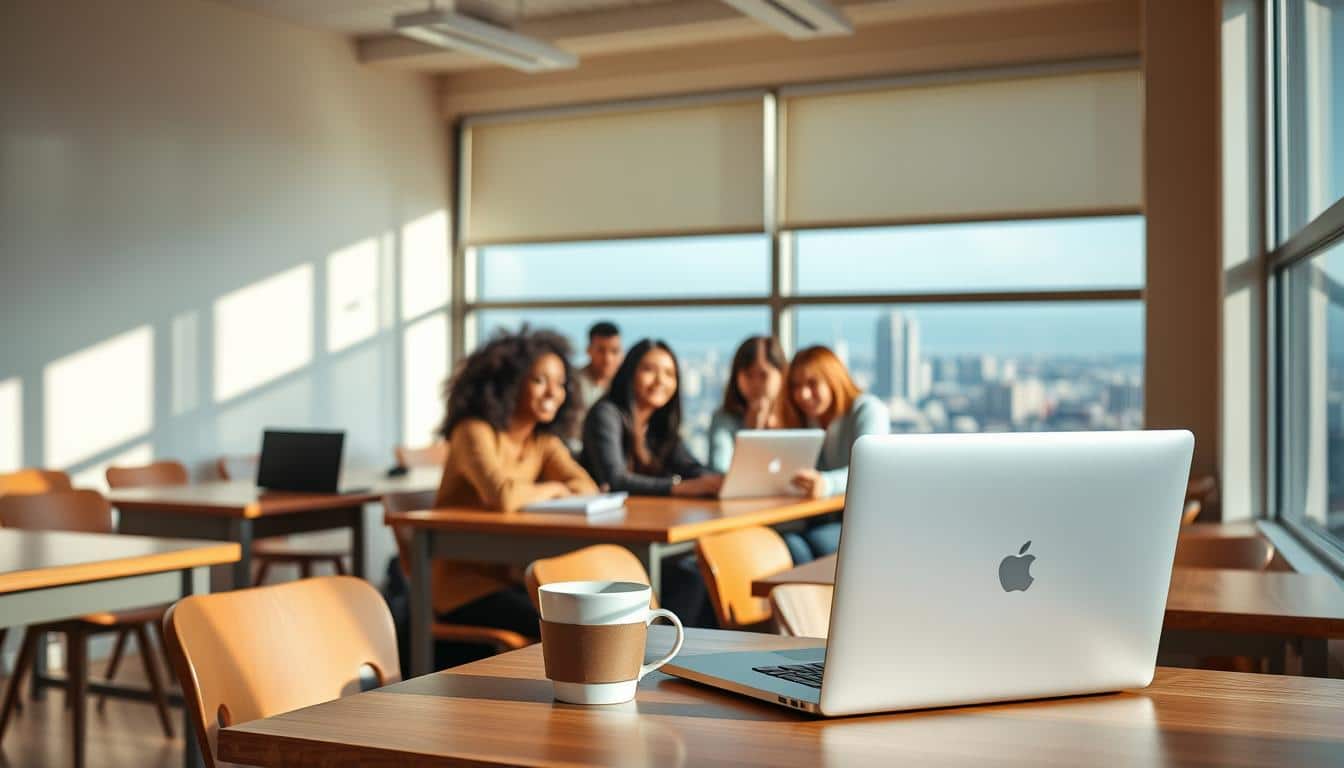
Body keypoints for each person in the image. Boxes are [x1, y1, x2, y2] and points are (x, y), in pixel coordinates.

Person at [429, 327, 599, 647]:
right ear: (509, 383)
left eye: (560, 383)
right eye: (539, 380)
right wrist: (552, 488)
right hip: (462, 591)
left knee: (585, 615)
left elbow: (586, 487)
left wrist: (549, 488)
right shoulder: (473, 431)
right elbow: (503, 497)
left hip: (512, 582)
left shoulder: (542, 440)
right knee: (567, 626)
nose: (553, 392)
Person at [780, 345, 890, 563]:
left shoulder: (867, 410)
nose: (802, 394)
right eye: (796, 386)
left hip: (865, 521)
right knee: (789, 541)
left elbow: (872, 472)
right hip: (821, 517)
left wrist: (826, 483)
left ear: (833, 380)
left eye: (812, 384)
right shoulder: (807, 421)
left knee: (811, 542)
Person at [581, 339, 723, 497]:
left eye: (669, 374)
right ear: (630, 372)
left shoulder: (659, 423)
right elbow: (615, 480)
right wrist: (679, 487)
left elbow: (690, 467)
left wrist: (717, 480)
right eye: (649, 370)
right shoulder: (605, 414)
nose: (660, 381)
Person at [707, 336, 789, 473]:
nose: (755, 384)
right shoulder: (724, 418)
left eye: (764, 375)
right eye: (748, 375)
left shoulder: (795, 413)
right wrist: (752, 433)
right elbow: (720, 470)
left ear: (782, 374)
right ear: (736, 377)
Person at [567, 321, 622, 452]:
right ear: (589, 350)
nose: (608, 359)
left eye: (614, 351)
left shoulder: (624, 385)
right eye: (601, 351)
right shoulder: (572, 382)